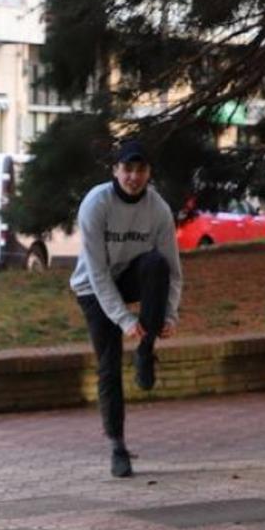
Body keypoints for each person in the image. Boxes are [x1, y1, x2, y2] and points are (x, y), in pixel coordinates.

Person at [70, 139, 182, 478]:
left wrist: (170, 315)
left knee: (156, 264)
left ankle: (147, 352)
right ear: (115, 171)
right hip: (93, 286)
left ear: (149, 173)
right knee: (109, 364)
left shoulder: (157, 208)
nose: (134, 176)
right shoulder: (96, 204)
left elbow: (173, 271)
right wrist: (123, 320)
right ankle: (117, 445)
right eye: (127, 169)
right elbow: (97, 271)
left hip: (131, 275)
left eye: (141, 170)